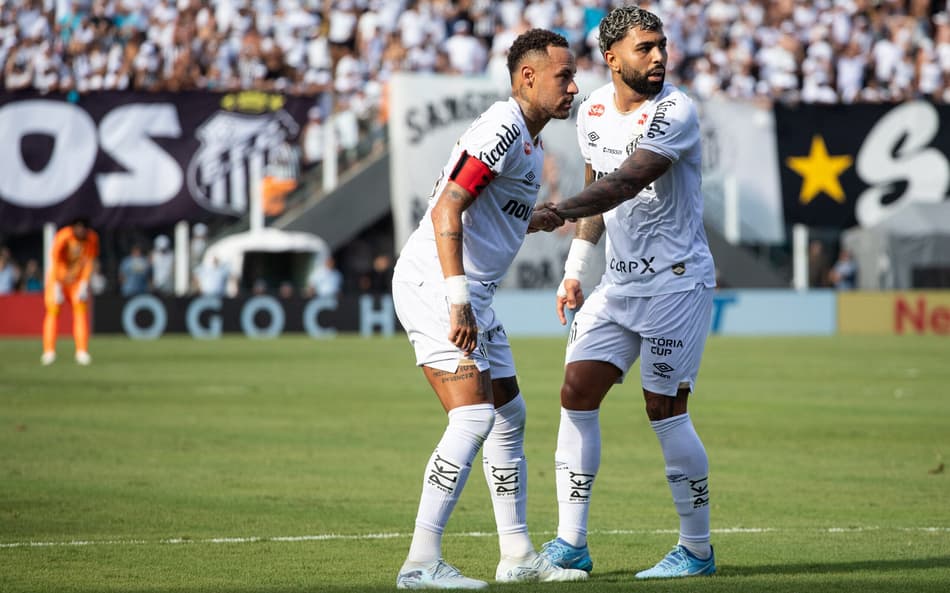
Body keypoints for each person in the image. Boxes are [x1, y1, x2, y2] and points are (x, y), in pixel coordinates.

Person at [391, 28, 584, 589]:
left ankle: (518, 554)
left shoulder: (529, 139)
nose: (573, 86)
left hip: (472, 291)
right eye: (563, 76)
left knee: (509, 416)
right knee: (473, 416)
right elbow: (448, 209)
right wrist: (457, 302)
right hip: (439, 283)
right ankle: (420, 562)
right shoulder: (502, 128)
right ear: (528, 77)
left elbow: (484, 211)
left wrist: (535, 217)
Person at [538, 6, 718, 579]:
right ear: (611, 58)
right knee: (575, 392)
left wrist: (553, 212)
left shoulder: (676, 110)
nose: (660, 56)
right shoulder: (590, 110)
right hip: (620, 284)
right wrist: (574, 268)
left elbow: (628, 180)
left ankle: (697, 550)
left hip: (676, 283)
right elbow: (598, 185)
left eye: (662, 45)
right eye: (646, 48)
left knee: (663, 410)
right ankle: (571, 544)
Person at [42, 218, 100, 366]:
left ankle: (82, 351)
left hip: (76, 282)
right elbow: (54, 261)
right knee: (53, 312)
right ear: (73, 228)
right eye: (78, 228)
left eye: (83, 229)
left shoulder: (92, 238)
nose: (81, 232)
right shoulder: (63, 236)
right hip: (58, 280)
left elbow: (89, 261)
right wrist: (56, 284)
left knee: (80, 313)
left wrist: (84, 283)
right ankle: (49, 351)